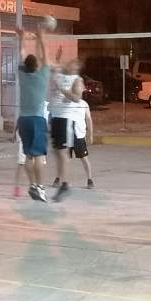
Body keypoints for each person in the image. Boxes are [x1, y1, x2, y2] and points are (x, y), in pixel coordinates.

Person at [16, 27, 51, 202]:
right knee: (38, 156)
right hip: (37, 120)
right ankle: (41, 187)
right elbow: (45, 56)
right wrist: (41, 37)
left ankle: (32, 185)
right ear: (37, 66)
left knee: (28, 155)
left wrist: (21, 37)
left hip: (23, 120)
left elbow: (21, 54)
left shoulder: (22, 75)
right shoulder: (42, 75)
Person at [49, 57, 85, 202]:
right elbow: (50, 63)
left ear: (77, 68)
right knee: (57, 152)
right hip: (55, 117)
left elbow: (77, 98)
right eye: (70, 63)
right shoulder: (60, 75)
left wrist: (64, 91)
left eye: (74, 64)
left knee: (63, 152)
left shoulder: (77, 80)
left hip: (66, 118)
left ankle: (65, 184)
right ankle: (61, 181)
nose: (70, 65)